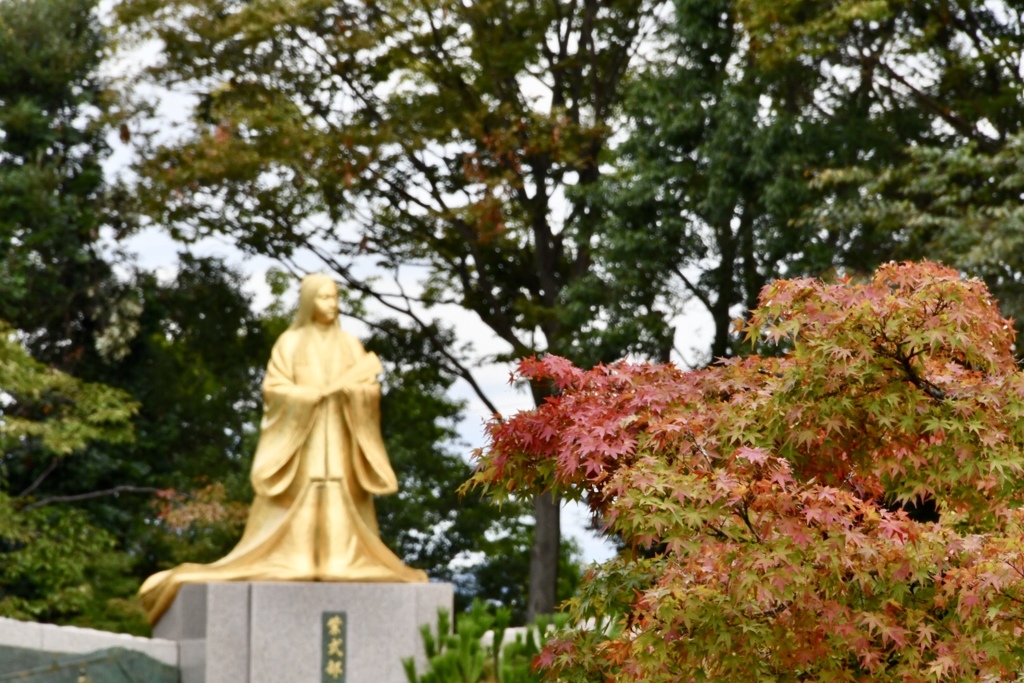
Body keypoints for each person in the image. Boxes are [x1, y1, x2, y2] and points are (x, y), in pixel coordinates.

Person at [139, 274, 427, 624]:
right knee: (304, 493)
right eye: (323, 298)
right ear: (308, 301)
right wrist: (306, 397)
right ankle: (297, 557)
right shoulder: (289, 343)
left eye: (335, 297)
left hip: (338, 435)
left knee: (339, 492)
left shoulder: (351, 346)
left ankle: (341, 558)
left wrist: (353, 393)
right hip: (302, 441)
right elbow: (274, 390)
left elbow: (369, 388)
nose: (332, 304)